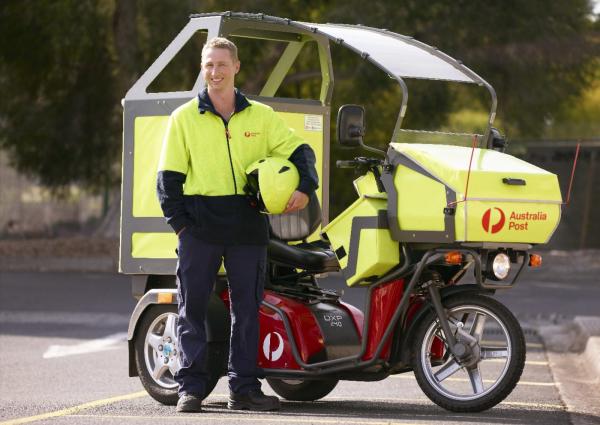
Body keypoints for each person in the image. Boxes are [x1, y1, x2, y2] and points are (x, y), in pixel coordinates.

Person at [156, 37, 318, 413]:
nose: (215, 71)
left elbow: (300, 151)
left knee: (247, 310)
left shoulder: (261, 116)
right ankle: (190, 389)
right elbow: (167, 180)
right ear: (202, 68)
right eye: (208, 64)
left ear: (236, 68)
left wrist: (305, 189)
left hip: (248, 225)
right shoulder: (184, 118)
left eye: (221, 64)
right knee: (192, 309)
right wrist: (182, 227)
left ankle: (243, 389)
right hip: (200, 226)